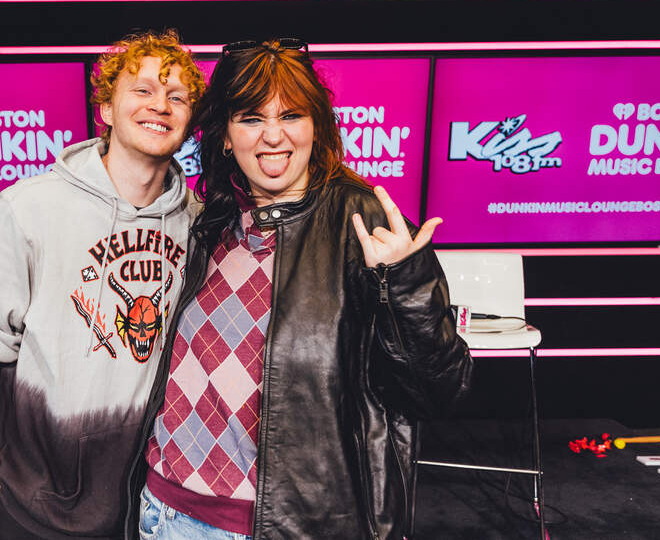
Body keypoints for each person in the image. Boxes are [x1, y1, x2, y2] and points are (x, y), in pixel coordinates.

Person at [125, 38, 474, 539]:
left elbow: (440, 391)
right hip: (165, 513)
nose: (273, 136)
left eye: (291, 115)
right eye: (251, 118)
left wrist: (402, 285)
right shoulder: (211, 223)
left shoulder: (360, 221)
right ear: (226, 137)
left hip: (289, 526)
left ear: (316, 127)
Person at [0, 30, 207, 539]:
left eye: (177, 97)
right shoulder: (30, 207)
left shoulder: (196, 222)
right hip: (32, 503)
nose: (161, 105)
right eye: (143, 90)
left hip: (147, 506)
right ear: (105, 108)